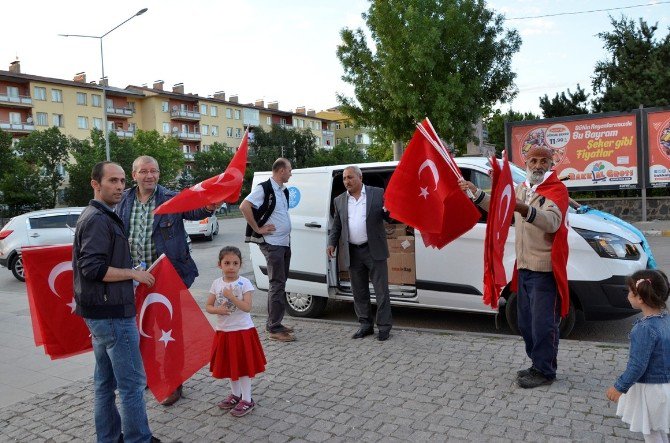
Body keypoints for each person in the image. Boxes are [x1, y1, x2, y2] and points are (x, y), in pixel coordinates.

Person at [459, 146, 569, 388]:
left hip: (545, 271)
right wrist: (476, 193)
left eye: (543, 161)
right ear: (526, 163)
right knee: (525, 323)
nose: (538, 165)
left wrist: (524, 209)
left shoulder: (556, 191)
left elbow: (552, 222)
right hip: (523, 268)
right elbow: (501, 206)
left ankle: (545, 371)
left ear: (551, 163)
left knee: (543, 325)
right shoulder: (522, 189)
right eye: (533, 161)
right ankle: (537, 364)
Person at [116, 155, 218, 406]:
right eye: (144, 171)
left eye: (154, 171)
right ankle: (149, 376)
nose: (149, 175)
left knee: (171, 333)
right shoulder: (124, 200)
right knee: (142, 332)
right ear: (134, 175)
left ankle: (174, 383)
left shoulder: (170, 197)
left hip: (167, 277)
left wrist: (209, 206)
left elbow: (193, 210)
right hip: (135, 280)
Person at [73, 161, 160, 443]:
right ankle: (139, 439)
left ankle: (109, 438)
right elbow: (92, 269)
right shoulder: (98, 219)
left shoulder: (101, 215)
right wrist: (133, 273)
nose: (120, 186)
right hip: (112, 315)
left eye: (122, 181)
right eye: (112, 181)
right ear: (95, 184)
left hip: (101, 313)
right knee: (132, 384)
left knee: (104, 384)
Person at [327, 166, 393, 341]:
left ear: (360, 177)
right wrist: (331, 243)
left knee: (381, 291)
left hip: (374, 250)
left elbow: (390, 216)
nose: (347, 181)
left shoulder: (377, 193)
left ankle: (384, 327)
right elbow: (337, 226)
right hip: (353, 251)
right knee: (359, 292)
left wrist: (389, 211)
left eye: (350, 177)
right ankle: (365, 325)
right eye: (344, 179)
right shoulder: (339, 200)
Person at [606, 270, 670, 443]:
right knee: (658, 428)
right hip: (663, 386)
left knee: (650, 431)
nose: (627, 295)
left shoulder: (645, 329)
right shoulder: (665, 319)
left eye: (629, 291)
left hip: (651, 389)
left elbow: (637, 365)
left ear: (640, 298)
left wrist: (619, 387)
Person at [205, 246, 267, 417]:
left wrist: (232, 297)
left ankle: (247, 399)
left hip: (242, 331)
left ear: (240, 265)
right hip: (224, 331)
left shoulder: (245, 283)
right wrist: (218, 310)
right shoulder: (216, 284)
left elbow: (247, 307)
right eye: (227, 263)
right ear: (220, 265)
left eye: (235, 263)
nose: (231, 267)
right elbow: (209, 306)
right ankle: (235, 395)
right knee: (232, 365)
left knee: (243, 366)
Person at [240, 158, 295, 342]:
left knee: (280, 283)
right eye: (289, 170)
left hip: (283, 242)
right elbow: (244, 206)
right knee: (277, 284)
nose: (290, 173)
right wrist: (257, 228)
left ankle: (275, 322)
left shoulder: (283, 191)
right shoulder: (265, 188)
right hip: (273, 243)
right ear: (280, 171)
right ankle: (273, 328)